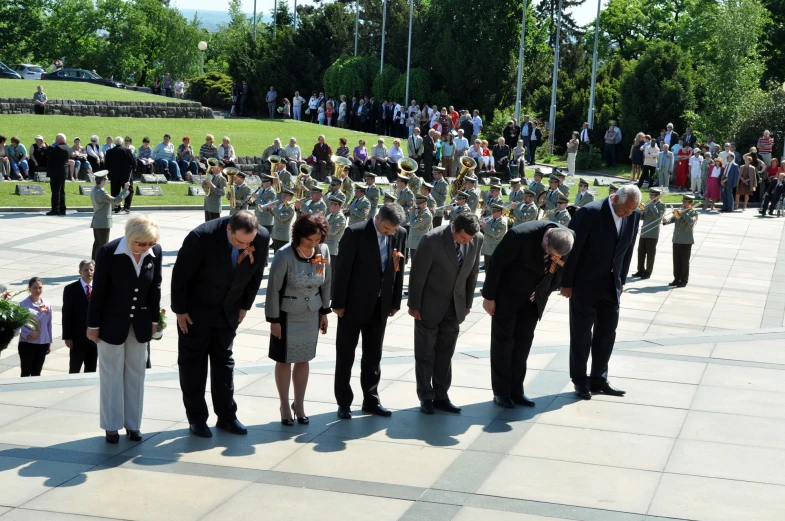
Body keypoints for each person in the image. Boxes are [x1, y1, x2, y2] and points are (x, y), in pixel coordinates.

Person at [171, 211, 270, 438]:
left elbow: (256, 274)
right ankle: (197, 419)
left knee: (224, 362)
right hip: (196, 311)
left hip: (229, 311)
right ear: (228, 230)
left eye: (249, 242)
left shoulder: (261, 237)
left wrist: (245, 305)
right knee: (193, 365)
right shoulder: (201, 237)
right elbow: (180, 276)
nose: (245, 246)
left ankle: (227, 416)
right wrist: (180, 311)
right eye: (239, 242)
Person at [561, 184, 641, 400]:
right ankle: (580, 380)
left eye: (630, 211)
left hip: (611, 286)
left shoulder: (633, 215)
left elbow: (628, 248)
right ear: (615, 198)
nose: (626, 214)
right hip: (584, 286)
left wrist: (622, 280)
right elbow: (573, 250)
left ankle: (599, 378)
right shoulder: (590, 213)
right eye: (624, 209)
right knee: (581, 335)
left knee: (606, 334)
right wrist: (566, 283)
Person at [482, 222, 575, 407]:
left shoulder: (568, 237)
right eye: (549, 252)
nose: (552, 257)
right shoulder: (519, 235)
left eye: (556, 256)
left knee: (523, 345)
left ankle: (517, 390)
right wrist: (489, 297)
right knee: (503, 345)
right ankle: (501, 392)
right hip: (507, 296)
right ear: (546, 238)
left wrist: (546, 290)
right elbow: (496, 265)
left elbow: (560, 268)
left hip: (533, 301)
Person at [88, 215, 162, 443]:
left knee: (136, 374)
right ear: (130, 237)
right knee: (111, 375)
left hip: (139, 324)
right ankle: (111, 426)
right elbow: (98, 291)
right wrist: (93, 325)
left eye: (150, 244)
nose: (146, 248)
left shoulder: (154, 252)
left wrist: (154, 321)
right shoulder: (109, 252)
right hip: (111, 323)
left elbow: (155, 288)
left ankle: (133, 425)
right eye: (141, 244)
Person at [332, 204, 407, 419]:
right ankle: (344, 402)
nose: (389, 233)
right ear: (377, 217)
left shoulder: (399, 233)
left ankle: (371, 400)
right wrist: (338, 302)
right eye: (385, 228)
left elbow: (398, 269)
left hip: (380, 306)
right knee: (346, 355)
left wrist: (395, 301)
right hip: (353, 305)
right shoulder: (355, 233)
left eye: (392, 230)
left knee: (373, 356)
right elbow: (342, 269)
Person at [407, 214, 482, 414]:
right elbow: (417, 274)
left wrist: (467, 303)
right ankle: (425, 396)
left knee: (445, 353)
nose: (468, 242)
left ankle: (442, 395)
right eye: (463, 238)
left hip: (455, 307)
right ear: (454, 229)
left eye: (470, 239)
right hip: (429, 306)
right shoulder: (432, 240)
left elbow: (473, 273)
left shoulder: (477, 239)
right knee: (425, 354)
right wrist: (414, 305)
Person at [265, 214, 331, 425]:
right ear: (299, 236)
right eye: (309, 240)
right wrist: (273, 320)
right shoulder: (284, 255)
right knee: (284, 360)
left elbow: (326, 282)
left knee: (304, 359)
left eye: (317, 240)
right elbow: (273, 289)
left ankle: (299, 404)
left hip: (311, 312)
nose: (313, 244)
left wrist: (324, 312)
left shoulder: (322, 251)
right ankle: (284, 405)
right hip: (287, 315)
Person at [62, 260, 98, 373]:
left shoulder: (99, 288)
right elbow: (66, 314)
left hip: (95, 337)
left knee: (91, 368)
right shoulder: (71, 289)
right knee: (75, 367)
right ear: (80, 272)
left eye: (91, 270)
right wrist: (67, 336)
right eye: (86, 270)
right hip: (77, 337)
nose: (89, 272)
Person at [17, 277, 53, 377]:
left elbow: (49, 324)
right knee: (26, 372)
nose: (38, 290)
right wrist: (29, 334)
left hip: (42, 342)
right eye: (35, 288)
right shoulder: (23, 305)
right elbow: (19, 324)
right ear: (29, 289)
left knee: (37, 372)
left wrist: (49, 341)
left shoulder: (47, 304)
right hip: (27, 343)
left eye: (40, 288)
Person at [90, 170, 131, 259]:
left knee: (97, 243)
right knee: (102, 244)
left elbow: (107, 202)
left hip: (97, 221)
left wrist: (114, 202)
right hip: (103, 222)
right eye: (106, 180)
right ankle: (98, 264)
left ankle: (93, 262)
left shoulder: (96, 190)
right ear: (103, 180)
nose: (106, 181)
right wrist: (125, 189)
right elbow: (116, 200)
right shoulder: (101, 192)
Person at [663, 195, 698, 287]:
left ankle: (684, 280)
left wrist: (683, 213)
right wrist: (666, 221)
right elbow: (674, 219)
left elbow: (691, 221)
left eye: (686, 203)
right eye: (683, 202)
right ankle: (676, 278)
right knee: (676, 261)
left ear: (690, 203)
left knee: (684, 261)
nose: (684, 204)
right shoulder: (680, 211)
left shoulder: (693, 213)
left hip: (686, 241)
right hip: (676, 239)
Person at [632, 188, 665, 279]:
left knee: (650, 254)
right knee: (641, 252)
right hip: (644, 232)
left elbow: (658, 218)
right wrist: (640, 212)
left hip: (652, 233)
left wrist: (652, 206)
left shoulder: (661, 205)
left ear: (656, 196)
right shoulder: (648, 203)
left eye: (652, 195)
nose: (650, 196)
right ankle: (640, 270)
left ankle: (648, 272)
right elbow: (644, 217)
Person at [104, 137, 135, 215]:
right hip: (126, 175)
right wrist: (133, 170)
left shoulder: (109, 152)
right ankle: (127, 207)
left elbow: (106, 165)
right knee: (129, 190)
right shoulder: (127, 150)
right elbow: (133, 163)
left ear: (114, 142)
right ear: (122, 142)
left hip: (114, 175)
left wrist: (109, 174)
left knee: (115, 191)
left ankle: (116, 208)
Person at [46, 134, 70, 216]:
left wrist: (47, 148)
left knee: (55, 192)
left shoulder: (58, 148)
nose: (56, 141)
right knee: (62, 191)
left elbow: (50, 155)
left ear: (60, 139)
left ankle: (55, 209)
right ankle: (62, 209)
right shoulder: (67, 147)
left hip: (56, 172)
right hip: (63, 172)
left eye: (56, 139)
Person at [405, 194, 433, 261]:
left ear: (425, 203)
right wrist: (413, 213)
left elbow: (414, 224)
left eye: (419, 204)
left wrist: (412, 213)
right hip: (415, 242)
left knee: (416, 264)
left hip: (418, 242)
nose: (417, 206)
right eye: (416, 203)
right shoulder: (421, 212)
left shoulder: (426, 214)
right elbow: (410, 222)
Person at [481, 203, 506, 268]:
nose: (492, 213)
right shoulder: (491, 220)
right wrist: (482, 222)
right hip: (487, 248)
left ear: (500, 212)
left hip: (494, 249)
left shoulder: (502, 224)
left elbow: (496, 234)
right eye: (492, 211)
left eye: (495, 211)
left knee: (493, 269)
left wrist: (486, 226)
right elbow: (484, 229)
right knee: (487, 268)